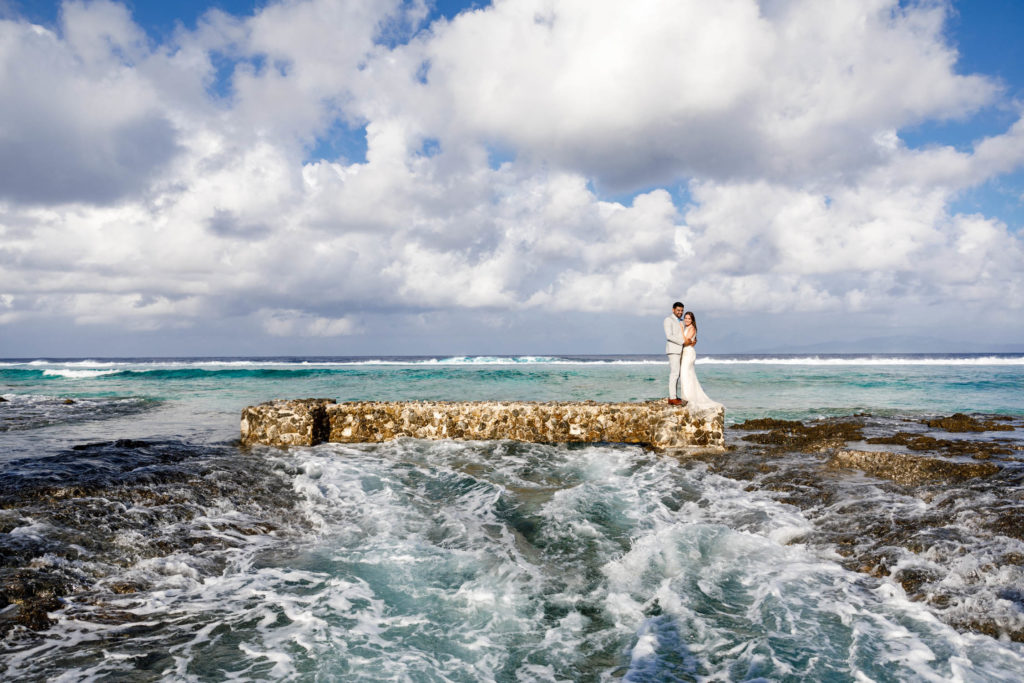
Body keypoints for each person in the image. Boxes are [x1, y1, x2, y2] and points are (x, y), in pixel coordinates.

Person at [679, 311, 722, 415]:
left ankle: (689, 398)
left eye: (689, 319)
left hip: (689, 353)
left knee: (686, 374)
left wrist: (680, 330)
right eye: (686, 318)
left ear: (692, 320)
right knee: (686, 375)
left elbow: (686, 341)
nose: (687, 320)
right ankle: (686, 396)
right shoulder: (686, 328)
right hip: (685, 352)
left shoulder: (692, 328)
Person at [663, 302, 686, 404]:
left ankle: (675, 396)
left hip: (682, 350)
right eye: (678, 310)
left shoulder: (682, 321)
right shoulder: (668, 320)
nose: (680, 312)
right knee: (674, 373)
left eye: (681, 310)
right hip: (673, 350)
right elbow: (669, 336)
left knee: (679, 374)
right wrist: (683, 342)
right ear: (673, 310)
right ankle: (672, 398)